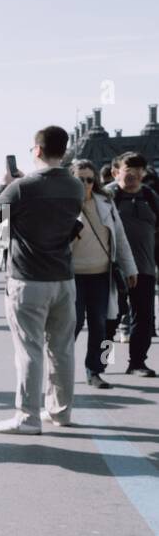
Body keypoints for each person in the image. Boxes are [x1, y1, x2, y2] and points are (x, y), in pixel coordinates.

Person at [0, 127, 83, 434]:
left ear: (37, 151)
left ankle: (27, 417)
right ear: (64, 151)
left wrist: (2, 187)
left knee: (29, 350)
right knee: (62, 349)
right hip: (64, 279)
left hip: (28, 279)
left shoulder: (22, 187)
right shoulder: (76, 187)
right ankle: (60, 411)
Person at [70, 160, 138, 389]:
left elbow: (120, 237)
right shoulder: (65, 205)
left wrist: (130, 268)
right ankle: (61, 369)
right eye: (80, 179)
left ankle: (97, 370)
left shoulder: (105, 202)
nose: (85, 184)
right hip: (73, 276)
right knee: (74, 323)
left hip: (102, 275)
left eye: (90, 179)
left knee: (104, 326)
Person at [105, 152, 159, 376]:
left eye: (139, 171)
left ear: (144, 173)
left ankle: (137, 363)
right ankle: (101, 363)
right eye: (129, 170)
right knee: (109, 319)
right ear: (116, 171)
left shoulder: (151, 196)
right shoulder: (107, 196)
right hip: (111, 269)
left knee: (143, 318)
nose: (134, 176)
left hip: (144, 267)